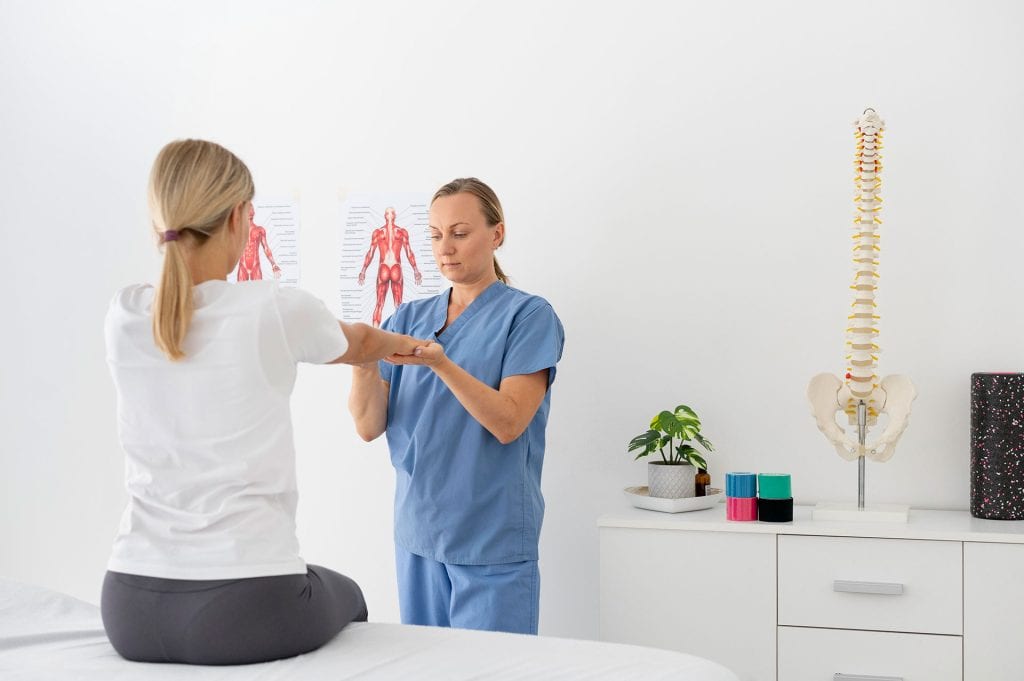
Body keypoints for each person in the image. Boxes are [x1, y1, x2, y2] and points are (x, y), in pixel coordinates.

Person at [101, 139, 424, 665]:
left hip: (129, 606)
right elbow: (360, 344)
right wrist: (410, 346)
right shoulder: (269, 307)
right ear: (236, 217)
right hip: (241, 603)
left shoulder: (125, 315)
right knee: (351, 597)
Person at [348, 178, 564, 635]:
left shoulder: (528, 317)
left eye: (460, 233)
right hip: (419, 534)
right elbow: (368, 426)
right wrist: (362, 361)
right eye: (435, 234)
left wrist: (441, 363)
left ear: (496, 234)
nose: (445, 247)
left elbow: (509, 422)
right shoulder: (406, 318)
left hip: (491, 539)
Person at [357, 207, 423, 327]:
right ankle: (399, 335)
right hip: (396, 268)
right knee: (398, 305)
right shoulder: (402, 232)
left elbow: (370, 252)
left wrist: (363, 270)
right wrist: (415, 270)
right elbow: (409, 252)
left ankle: (375, 333)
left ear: (384, 216)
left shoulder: (378, 232)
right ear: (395, 215)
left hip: (383, 268)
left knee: (379, 304)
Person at [236, 204, 281, 280]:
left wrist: (273, 264)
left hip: (255, 266)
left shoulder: (260, 230)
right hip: (242, 266)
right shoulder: (238, 230)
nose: (250, 213)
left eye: (251, 210)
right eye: (248, 210)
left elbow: (266, 248)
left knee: (257, 290)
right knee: (241, 291)